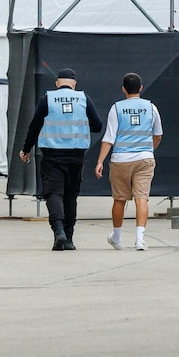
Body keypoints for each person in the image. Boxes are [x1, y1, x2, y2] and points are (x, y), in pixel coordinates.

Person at [19, 68, 103, 251]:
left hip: (52, 156)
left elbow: (34, 126)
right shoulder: (84, 99)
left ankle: (58, 232)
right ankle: (70, 238)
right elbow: (97, 126)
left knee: (53, 193)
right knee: (70, 196)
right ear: (74, 84)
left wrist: (26, 149)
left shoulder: (47, 99)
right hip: (76, 156)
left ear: (57, 83)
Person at [95, 73, 163, 251]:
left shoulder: (116, 108)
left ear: (123, 89)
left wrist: (100, 161)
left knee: (119, 200)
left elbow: (109, 138)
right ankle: (140, 240)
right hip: (145, 158)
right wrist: (149, 150)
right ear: (141, 88)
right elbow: (158, 135)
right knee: (142, 199)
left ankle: (117, 238)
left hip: (121, 160)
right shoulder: (151, 108)